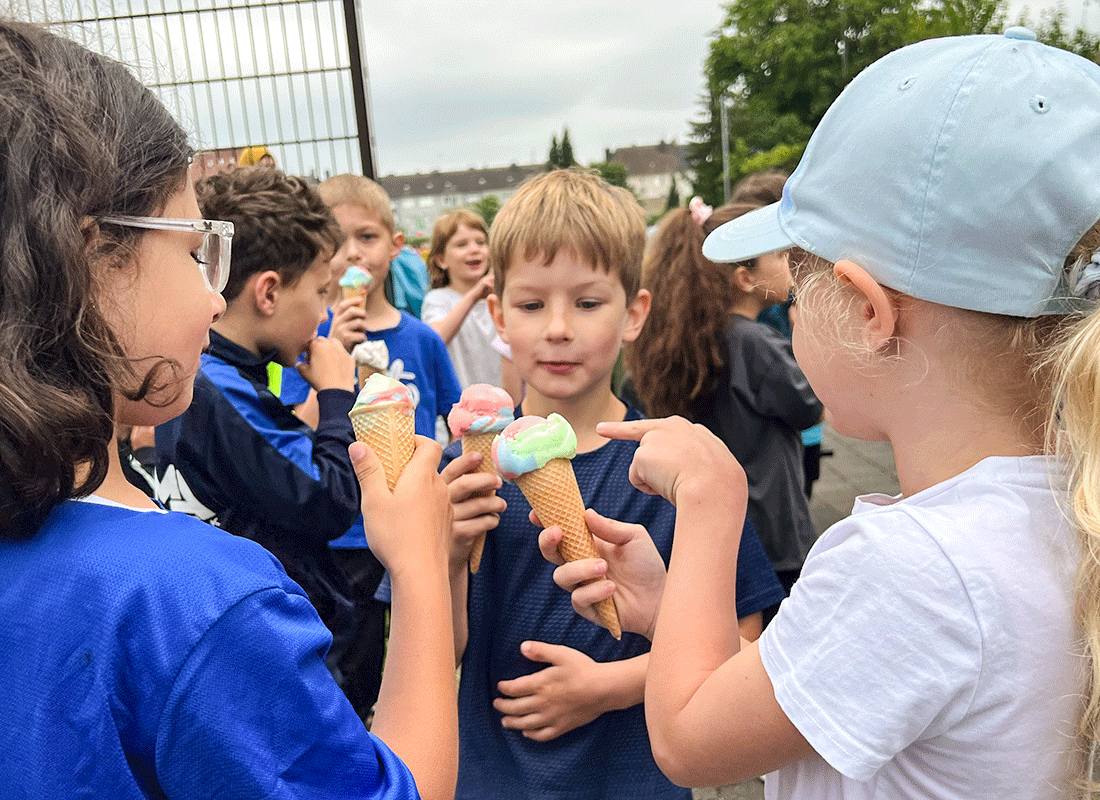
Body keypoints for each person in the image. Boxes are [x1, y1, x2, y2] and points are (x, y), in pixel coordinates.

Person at [540, 29, 1100, 799]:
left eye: (798, 292)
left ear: (869, 311)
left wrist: (710, 499)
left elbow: (689, 743)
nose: (791, 315)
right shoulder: (1063, 511)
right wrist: (676, 611)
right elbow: (810, 701)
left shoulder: (911, 567)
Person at [0, 18, 456, 799]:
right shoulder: (197, 601)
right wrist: (420, 567)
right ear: (91, 262)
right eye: (190, 249)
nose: (214, 297)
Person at [443, 169, 785, 800]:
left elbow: (742, 646)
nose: (558, 328)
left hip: (633, 777)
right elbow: (441, 654)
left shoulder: (679, 468)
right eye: (531, 304)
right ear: (497, 316)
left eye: (588, 302)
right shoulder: (464, 474)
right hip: (491, 779)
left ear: (635, 313)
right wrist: (444, 559)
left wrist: (609, 687)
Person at [627, 203, 822, 591]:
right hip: (772, 533)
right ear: (745, 278)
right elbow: (809, 408)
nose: (790, 264)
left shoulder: (680, 342)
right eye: (781, 256)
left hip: (709, 529)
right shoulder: (756, 343)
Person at [316, 174, 461, 439]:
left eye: (367, 236)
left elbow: (459, 425)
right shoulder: (309, 337)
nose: (352, 252)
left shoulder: (424, 340)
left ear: (395, 246)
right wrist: (335, 348)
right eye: (336, 241)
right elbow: (296, 429)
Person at [729, 171, 827, 499]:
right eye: (778, 252)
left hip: (793, 434)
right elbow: (810, 401)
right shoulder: (756, 334)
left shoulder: (782, 296)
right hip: (776, 444)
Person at [421, 209, 500, 388]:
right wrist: (473, 295)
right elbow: (436, 340)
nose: (474, 249)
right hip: (461, 405)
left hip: (502, 402)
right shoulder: (438, 299)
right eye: (462, 244)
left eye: (481, 242)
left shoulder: (500, 298)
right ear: (441, 260)